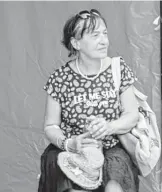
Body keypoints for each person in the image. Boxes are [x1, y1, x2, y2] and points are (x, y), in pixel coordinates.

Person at [38, 9, 140, 192]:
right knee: (66, 184)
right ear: (76, 43)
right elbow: (51, 126)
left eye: (105, 33)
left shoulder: (118, 69)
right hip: (70, 148)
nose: (104, 41)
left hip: (112, 145)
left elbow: (132, 114)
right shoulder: (60, 79)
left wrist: (110, 127)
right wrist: (68, 143)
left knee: (114, 186)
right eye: (95, 35)